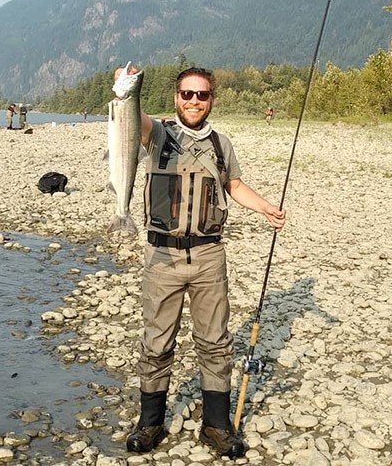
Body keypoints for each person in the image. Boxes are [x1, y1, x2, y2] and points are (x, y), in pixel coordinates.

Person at [117, 65, 286, 459]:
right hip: (162, 255)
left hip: (210, 256)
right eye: (187, 94)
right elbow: (131, 115)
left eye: (202, 95)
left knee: (216, 343)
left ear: (211, 100)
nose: (194, 101)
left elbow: (235, 186)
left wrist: (267, 209)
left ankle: (216, 426)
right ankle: (150, 423)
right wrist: (125, 89)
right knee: (156, 343)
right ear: (176, 97)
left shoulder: (221, 144)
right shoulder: (156, 134)